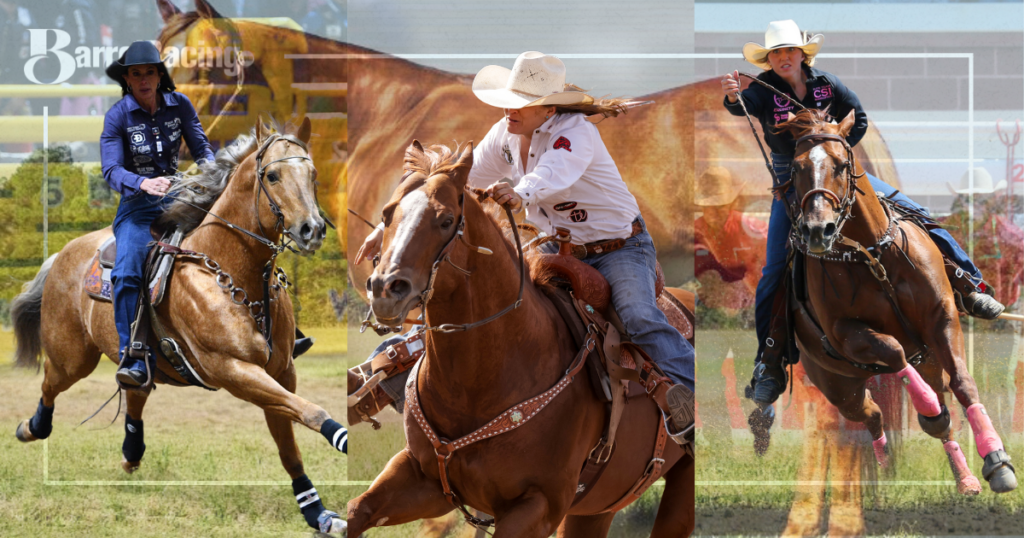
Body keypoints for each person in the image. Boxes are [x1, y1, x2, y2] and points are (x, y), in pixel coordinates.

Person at [356, 51, 695, 443]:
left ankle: (690, 400)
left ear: (548, 109)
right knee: (491, 299)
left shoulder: (577, 132)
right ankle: (395, 367)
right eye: (507, 100)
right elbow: (451, 189)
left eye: (520, 104)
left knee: (636, 315)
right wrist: (387, 231)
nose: (508, 110)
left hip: (620, 249)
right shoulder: (504, 134)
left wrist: (520, 191)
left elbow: (554, 173)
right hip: (555, 246)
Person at [720, 20, 1004, 409]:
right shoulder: (764, 90)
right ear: (768, 60)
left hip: (839, 170)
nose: (783, 58)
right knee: (773, 269)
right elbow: (741, 106)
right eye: (775, 53)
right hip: (793, 178)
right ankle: (769, 364)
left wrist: (837, 153)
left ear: (803, 54)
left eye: (789, 51)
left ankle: (971, 286)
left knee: (917, 214)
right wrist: (734, 97)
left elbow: (861, 118)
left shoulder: (828, 85)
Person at [101, 41, 216, 388]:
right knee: (125, 274)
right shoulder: (117, 115)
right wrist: (142, 183)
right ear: (127, 79)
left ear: (159, 75)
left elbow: (201, 148)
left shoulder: (179, 104)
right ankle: (134, 356)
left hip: (180, 197)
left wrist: (213, 177)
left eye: (150, 72)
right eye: (136, 74)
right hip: (137, 209)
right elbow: (111, 170)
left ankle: (279, 329)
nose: (144, 79)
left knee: (235, 231)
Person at [694, 166, 766, 310]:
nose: (713, 211)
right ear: (701, 207)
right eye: (708, 206)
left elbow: (773, 263)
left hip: (751, 299)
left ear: (732, 204)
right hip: (706, 302)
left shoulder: (753, 228)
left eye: (720, 205)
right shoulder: (693, 233)